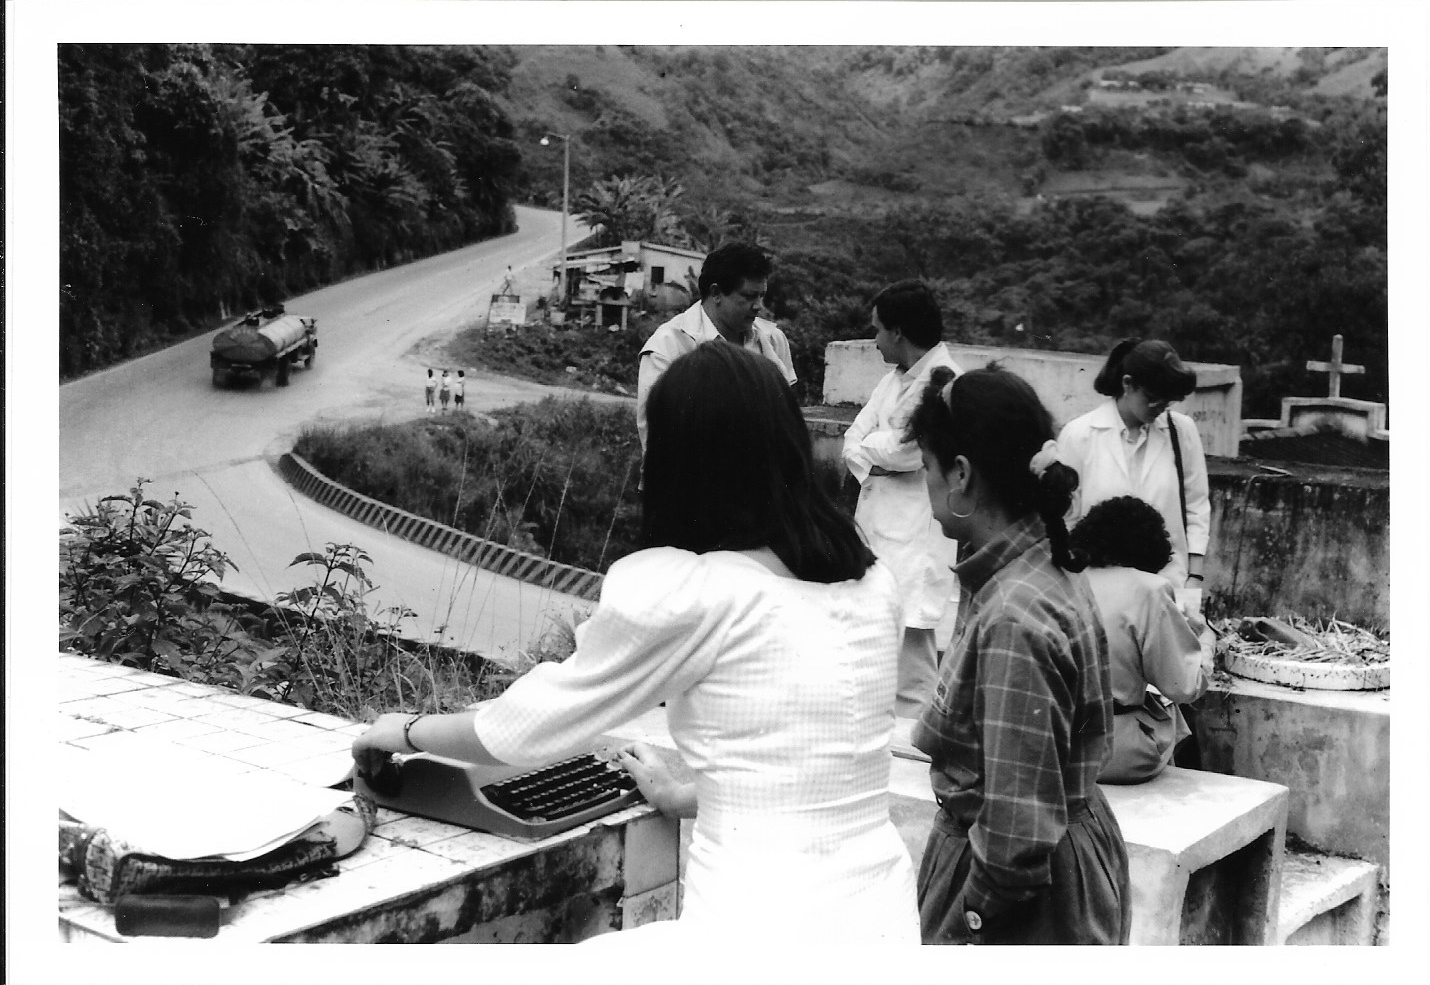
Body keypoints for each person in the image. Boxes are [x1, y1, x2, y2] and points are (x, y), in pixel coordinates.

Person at [353, 342, 919, 945]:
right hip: (881, 917)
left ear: (681, 461)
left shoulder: (698, 592)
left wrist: (403, 729)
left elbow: (518, 731)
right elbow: (807, 766)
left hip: (758, 931)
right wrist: (685, 796)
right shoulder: (872, 581)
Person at [904, 364, 1130, 945]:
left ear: (960, 474)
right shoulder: (1037, 562)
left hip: (1020, 895)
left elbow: (1014, 839)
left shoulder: (1012, 615)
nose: (923, 484)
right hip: (1061, 851)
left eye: (926, 467)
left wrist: (966, 923)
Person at [842, 280, 961, 718]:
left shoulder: (945, 383)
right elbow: (852, 440)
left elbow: (907, 452)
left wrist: (875, 453)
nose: (873, 341)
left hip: (915, 540)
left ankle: (920, 759)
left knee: (913, 669)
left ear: (898, 333)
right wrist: (878, 455)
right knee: (874, 653)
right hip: (878, 531)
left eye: (877, 331)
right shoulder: (892, 380)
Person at [1070, 496, 1215, 784]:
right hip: (1109, 753)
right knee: (1171, 712)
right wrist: (1206, 639)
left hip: (1056, 741)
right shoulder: (1150, 589)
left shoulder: (1066, 578)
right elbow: (1185, 686)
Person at [1058, 338, 1209, 589]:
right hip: (1098, 588)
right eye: (1152, 397)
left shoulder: (1181, 431)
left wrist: (1195, 577)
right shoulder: (1079, 435)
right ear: (1127, 384)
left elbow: (1196, 507)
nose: (1159, 407)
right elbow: (1066, 519)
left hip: (1169, 584)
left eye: (1167, 400)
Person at [635, 243, 797, 454]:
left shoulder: (773, 340)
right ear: (716, 293)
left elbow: (788, 420)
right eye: (748, 296)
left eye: (761, 296)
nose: (758, 306)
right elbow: (657, 436)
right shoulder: (668, 346)